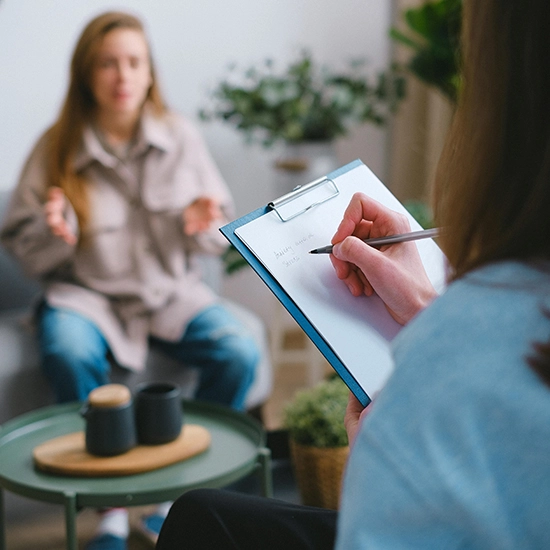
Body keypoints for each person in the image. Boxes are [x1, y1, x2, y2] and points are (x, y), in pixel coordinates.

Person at [155, 1, 550, 548]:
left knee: (201, 520)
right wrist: (422, 310)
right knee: (206, 513)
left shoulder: (461, 364)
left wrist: (373, 463)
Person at [0, 11, 260, 550]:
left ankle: (172, 500)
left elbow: (219, 235)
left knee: (239, 351)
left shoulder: (182, 135)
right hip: (85, 296)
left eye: (134, 63)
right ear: (86, 75)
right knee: (66, 348)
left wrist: (203, 228)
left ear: (149, 73)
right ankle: (110, 511)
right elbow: (26, 254)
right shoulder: (54, 147)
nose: (122, 76)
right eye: (108, 64)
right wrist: (56, 235)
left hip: (169, 294)